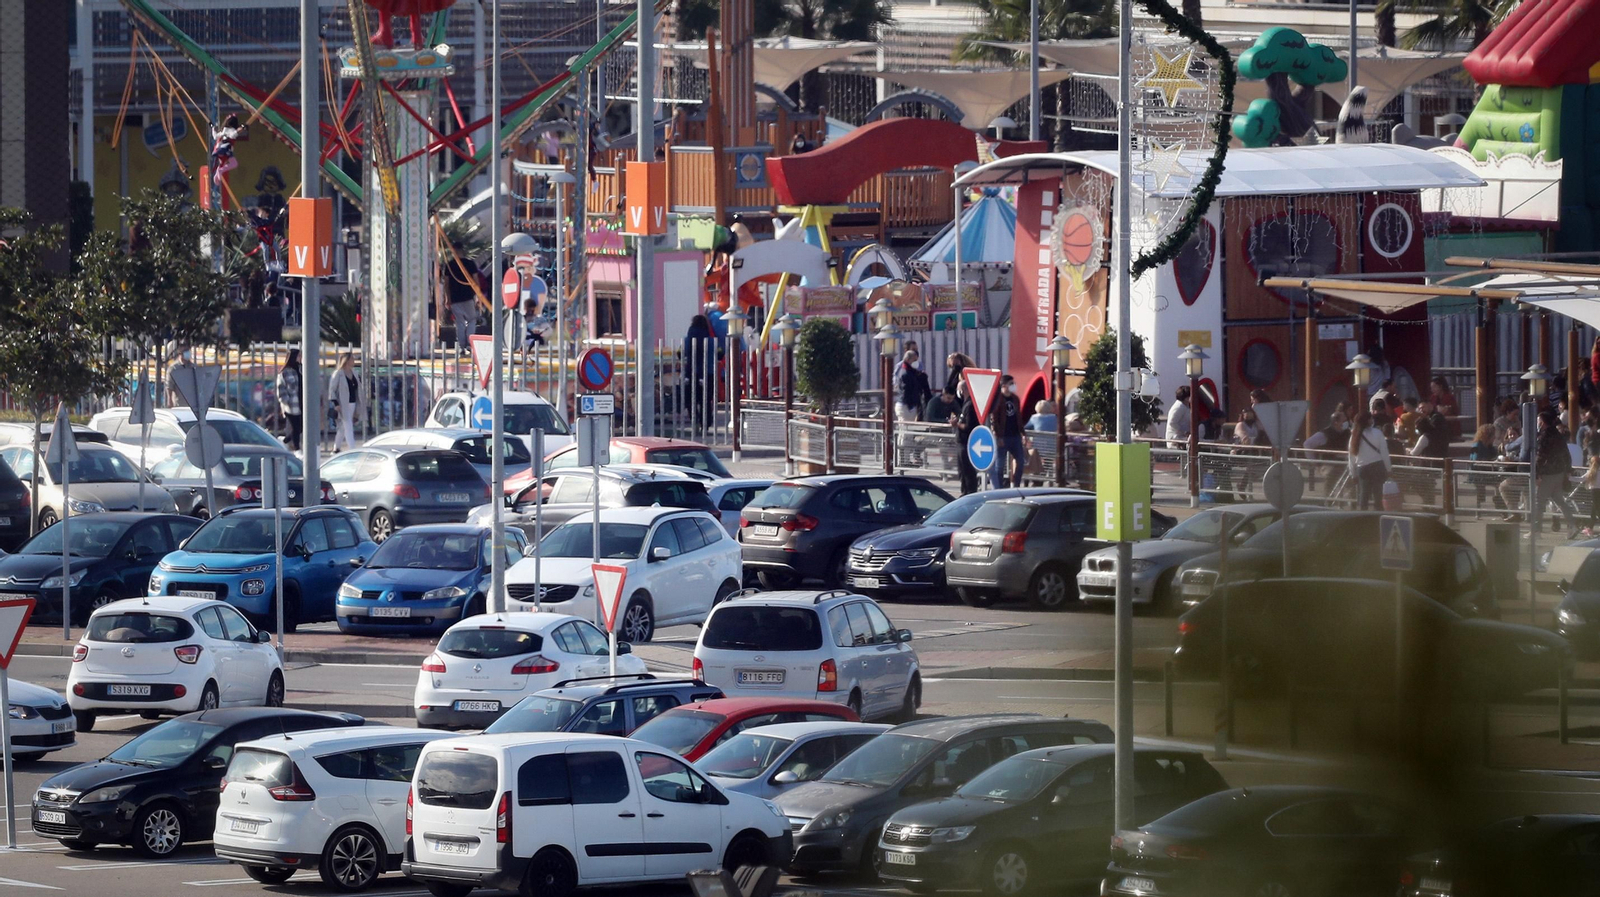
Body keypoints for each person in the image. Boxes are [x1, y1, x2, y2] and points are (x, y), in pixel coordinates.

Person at [1534, 408, 1578, 534]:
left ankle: (1536, 529)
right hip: (1559, 472)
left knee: (1539, 502)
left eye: (1538, 421)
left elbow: (1540, 456)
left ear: (1542, 422)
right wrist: (1568, 469)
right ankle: (1572, 525)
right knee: (1560, 500)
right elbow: (1566, 453)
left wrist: (1537, 474)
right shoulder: (1558, 435)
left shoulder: (1543, 437)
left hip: (1547, 473)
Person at [1348, 409, 1392, 510]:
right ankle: (1378, 515)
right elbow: (1384, 453)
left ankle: (1363, 516)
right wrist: (1388, 469)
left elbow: (1351, 457)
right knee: (1378, 494)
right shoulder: (1377, 433)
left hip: (1362, 468)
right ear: (1368, 420)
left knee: (1364, 494)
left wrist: (1353, 474)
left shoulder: (1354, 436)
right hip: (1377, 465)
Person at [444, 249, 481, 351]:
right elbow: (476, 280)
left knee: (459, 323)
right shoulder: (470, 263)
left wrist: (447, 298)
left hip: (455, 298)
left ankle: (461, 346)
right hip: (468, 297)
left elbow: (446, 284)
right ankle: (469, 343)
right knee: (472, 320)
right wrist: (478, 297)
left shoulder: (449, 265)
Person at [683, 314, 717, 426]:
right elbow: (720, 354)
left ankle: (694, 418)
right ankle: (705, 422)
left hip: (691, 372)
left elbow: (681, 353)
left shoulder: (687, 339)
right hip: (708, 372)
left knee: (690, 398)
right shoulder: (711, 341)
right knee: (706, 399)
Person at [1468, 423, 1507, 512]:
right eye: (1493, 435)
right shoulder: (1477, 446)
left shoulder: (1490, 447)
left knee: (1502, 481)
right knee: (1500, 482)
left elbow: (1496, 455)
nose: (1494, 438)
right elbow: (1475, 462)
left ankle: (1499, 502)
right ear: (1487, 436)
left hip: (1489, 472)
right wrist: (1491, 462)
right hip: (1478, 475)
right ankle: (1499, 503)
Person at [329, 352, 361, 453]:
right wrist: (336, 404)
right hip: (343, 403)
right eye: (352, 359)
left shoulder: (354, 373)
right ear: (346, 360)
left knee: (343, 427)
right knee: (348, 425)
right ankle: (352, 449)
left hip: (353, 402)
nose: (354, 361)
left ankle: (336, 448)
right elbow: (332, 390)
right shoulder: (338, 373)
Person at [953, 383, 980, 495]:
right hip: (961, 443)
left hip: (966, 444)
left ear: (963, 390)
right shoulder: (965, 404)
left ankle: (969, 493)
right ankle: (964, 492)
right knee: (962, 472)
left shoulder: (970, 405)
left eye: (959, 390)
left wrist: (957, 424)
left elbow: (969, 426)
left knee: (968, 472)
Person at [275, 349, 303, 451]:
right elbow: (281, 388)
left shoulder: (301, 369)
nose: (300, 358)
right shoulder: (285, 372)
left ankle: (284, 441)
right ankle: (297, 448)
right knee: (296, 427)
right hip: (291, 405)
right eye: (299, 356)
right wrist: (286, 401)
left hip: (302, 402)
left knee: (301, 427)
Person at [893, 348, 932, 422]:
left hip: (909, 406)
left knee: (907, 429)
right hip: (906, 406)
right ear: (908, 360)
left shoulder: (911, 372)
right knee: (906, 430)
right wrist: (912, 405)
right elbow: (907, 391)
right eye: (914, 360)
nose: (916, 362)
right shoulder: (906, 374)